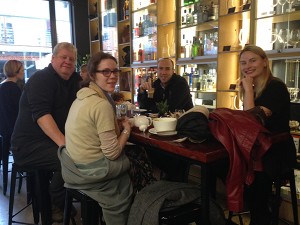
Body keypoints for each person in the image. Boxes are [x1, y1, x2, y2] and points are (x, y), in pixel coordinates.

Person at [59, 52, 133, 225]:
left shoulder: (82, 97)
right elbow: (113, 153)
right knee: (135, 166)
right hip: (92, 173)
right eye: (105, 72)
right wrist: (126, 130)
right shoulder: (101, 104)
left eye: (115, 71)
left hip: (73, 167)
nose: (113, 76)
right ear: (92, 75)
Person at [11, 42, 81, 222]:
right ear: (53, 59)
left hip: (48, 143)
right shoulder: (42, 78)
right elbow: (42, 116)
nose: (67, 61)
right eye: (63, 57)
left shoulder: (74, 80)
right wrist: (66, 145)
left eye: (71, 59)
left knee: (80, 154)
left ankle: (61, 197)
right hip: (27, 146)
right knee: (70, 158)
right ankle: (55, 199)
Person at [138, 58, 194, 182]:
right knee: (148, 146)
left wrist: (153, 103)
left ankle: (176, 178)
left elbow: (171, 107)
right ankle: (169, 177)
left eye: (167, 69)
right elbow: (144, 107)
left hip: (182, 128)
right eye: (161, 69)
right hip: (163, 127)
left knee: (162, 151)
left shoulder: (180, 83)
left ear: (173, 70)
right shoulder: (156, 84)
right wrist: (142, 91)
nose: (163, 72)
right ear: (157, 70)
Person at [0, 60, 24, 194]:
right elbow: (20, 113)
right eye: (22, 69)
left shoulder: (1, 86)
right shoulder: (14, 89)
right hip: (14, 133)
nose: (23, 71)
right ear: (16, 71)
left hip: (3, 131)